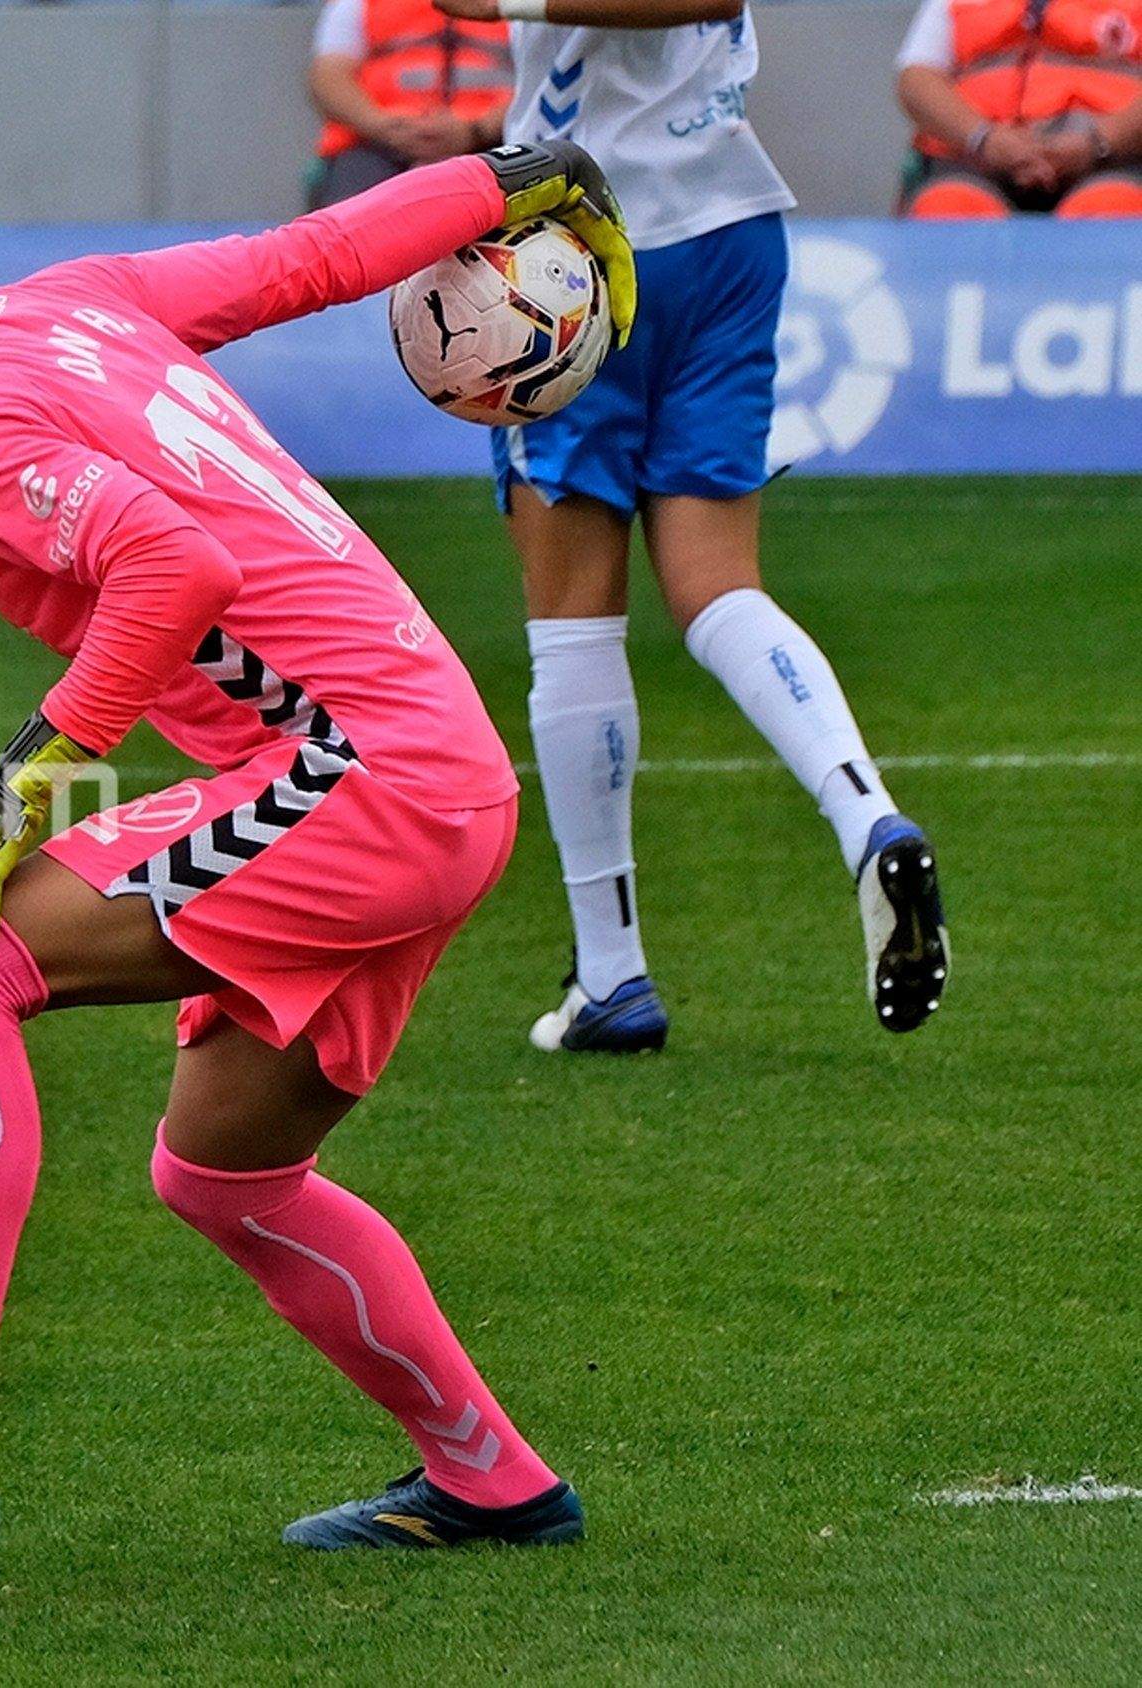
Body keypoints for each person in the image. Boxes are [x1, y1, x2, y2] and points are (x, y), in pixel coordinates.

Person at [0, 99, 639, 1564]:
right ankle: (493, 1481)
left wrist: (6, 803)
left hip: (359, 776)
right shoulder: (72, 307)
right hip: (434, 774)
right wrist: (513, 180)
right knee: (226, 1173)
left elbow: (172, 566)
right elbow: (304, 260)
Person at [433, 0, 949, 1051]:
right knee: (718, 583)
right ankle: (865, 817)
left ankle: (613, 974)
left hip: (576, 240)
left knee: (573, 621)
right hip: (725, 229)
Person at [894, 0, 1142, 218]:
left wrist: (1097, 143)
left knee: (1113, 209)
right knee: (949, 208)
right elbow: (916, 79)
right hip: (975, 157)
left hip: (1113, 159)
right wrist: (985, 139)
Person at [308, 0, 515, 207]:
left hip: (497, 141)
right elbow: (329, 77)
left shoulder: (525, 5)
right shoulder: (359, 4)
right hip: (376, 145)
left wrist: (478, 130)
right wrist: (384, 126)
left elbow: (541, 81)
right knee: (346, 214)